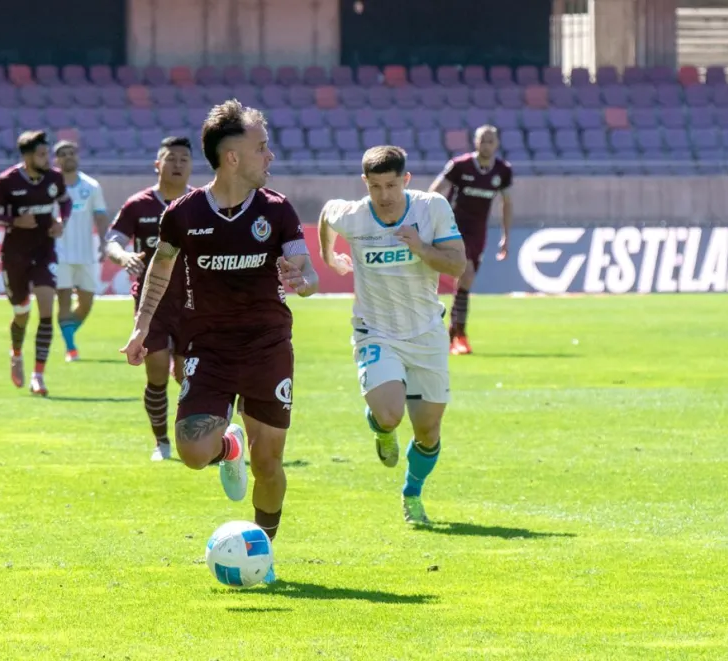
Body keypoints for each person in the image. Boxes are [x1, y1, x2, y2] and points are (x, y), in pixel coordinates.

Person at [121, 100, 319, 563]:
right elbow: (160, 268)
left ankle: (261, 554)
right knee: (193, 452)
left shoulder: (278, 209)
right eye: (261, 147)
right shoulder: (184, 214)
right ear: (232, 157)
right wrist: (140, 327)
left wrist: (303, 280)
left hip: (268, 347)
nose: (270, 155)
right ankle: (229, 447)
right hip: (208, 349)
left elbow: (307, 271)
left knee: (268, 464)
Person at [319, 145, 466, 525]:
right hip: (376, 332)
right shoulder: (354, 215)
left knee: (428, 431)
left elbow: (457, 265)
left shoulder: (431, 208)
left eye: (391, 185)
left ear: (406, 180)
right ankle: (382, 429)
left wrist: (421, 248)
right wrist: (330, 257)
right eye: (375, 186)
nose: (383, 195)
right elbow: (327, 214)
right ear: (364, 183)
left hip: (427, 334)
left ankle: (412, 492)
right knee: (389, 415)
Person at [105, 136, 194, 461]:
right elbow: (112, 240)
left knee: (187, 375)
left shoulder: (201, 203)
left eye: (184, 159)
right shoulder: (138, 204)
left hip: (193, 302)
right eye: (171, 158)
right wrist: (123, 256)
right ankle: (162, 442)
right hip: (151, 303)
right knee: (156, 371)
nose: (178, 164)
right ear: (158, 164)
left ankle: (197, 438)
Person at [0, 130, 71, 396]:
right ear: (27, 157)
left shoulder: (54, 178)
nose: (47, 159)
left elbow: (65, 202)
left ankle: (38, 376)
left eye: (47, 154)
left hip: (45, 252)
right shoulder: (7, 181)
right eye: (41, 155)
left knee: (46, 309)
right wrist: (15, 221)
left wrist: (61, 222)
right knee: (21, 312)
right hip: (15, 255)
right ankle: (16, 353)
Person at [428, 124, 513, 355]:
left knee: (466, 280)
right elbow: (435, 191)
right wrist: (429, 220)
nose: (486, 145)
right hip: (453, 228)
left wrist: (506, 236)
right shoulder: (460, 165)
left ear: (497, 144)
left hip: (478, 232)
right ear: (475, 142)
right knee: (467, 274)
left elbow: (507, 203)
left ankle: (452, 333)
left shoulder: (503, 171)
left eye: (490, 141)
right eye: (482, 140)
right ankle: (459, 335)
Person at [52, 140, 109, 362]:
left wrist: (104, 242)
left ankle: (67, 332)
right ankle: (71, 348)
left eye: (72, 153)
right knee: (64, 302)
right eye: (63, 154)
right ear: (57, 160)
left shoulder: (91, 186)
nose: (68, 157)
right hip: (59, 253)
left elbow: (100, 216)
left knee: (86, 304)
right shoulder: (51, 186)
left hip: (86, 253)